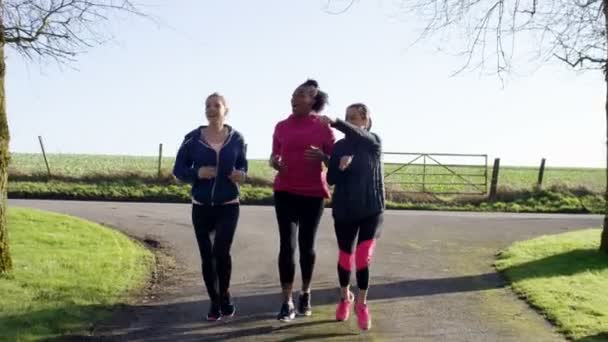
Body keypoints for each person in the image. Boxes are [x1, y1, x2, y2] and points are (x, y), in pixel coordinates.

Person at [173, 92, 248, 321]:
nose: (211, 109)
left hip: (228, 204)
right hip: (202, 205)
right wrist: (197, 173)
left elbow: (243, 168)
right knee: (207, 255)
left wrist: (240, 176)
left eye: (216, 105)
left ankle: (224, 294)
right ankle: (214, 301)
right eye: (208, 105)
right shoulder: (192, 139)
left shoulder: (237, 139)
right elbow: (178, 171)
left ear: (226, 109)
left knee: (221, 252)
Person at [270, 79, 335, 322]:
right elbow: (274, 154)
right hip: (285, 190)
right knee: (287, 245)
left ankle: (305, 293)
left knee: (307, 246)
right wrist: (274, 161)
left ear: (313, 102)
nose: (295, 97)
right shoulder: (281, 126)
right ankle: (286, 301)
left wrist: (323, 156)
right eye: (295, 93)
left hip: (312, 193)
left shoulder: (323, 127)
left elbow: (335, 161)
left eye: (303, 94)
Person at [321, 103, 385, 331]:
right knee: (345, 258)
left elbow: (360, 135)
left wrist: (338, 121)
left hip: (371, 209)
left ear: (366, 121)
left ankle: (362, 303)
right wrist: (339, 166)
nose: (350, 123)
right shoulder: (339, 147)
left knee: (362, 257)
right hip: (345, 210)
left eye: (354, 118)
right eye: (347, 118)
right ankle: (344, 298)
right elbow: (331, 180)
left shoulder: (373, 142)